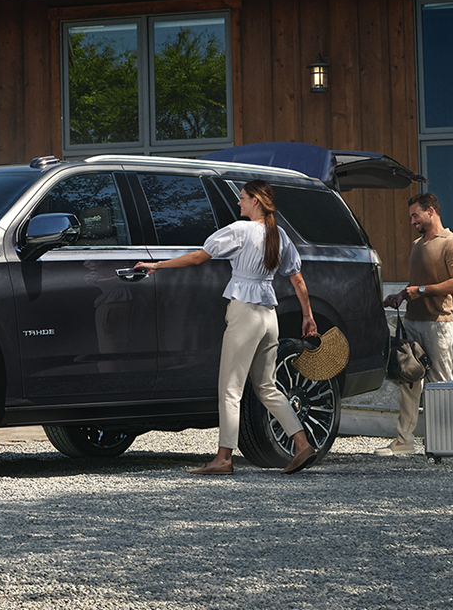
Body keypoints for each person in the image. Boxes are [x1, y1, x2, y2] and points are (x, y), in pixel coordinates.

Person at [134, 180, 320, 475]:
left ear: (256, 200)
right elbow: (297, 279)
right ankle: (301, 443)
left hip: (245, 311)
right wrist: (307, 315)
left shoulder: (240, 230)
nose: (239, 203)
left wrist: (157, 265)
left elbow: (198, 257)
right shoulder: (279, 235)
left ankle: (223, 458)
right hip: (269, 315)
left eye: (243, 198)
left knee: (230, 388)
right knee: (266, 386)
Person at [378, 193, 453, 456]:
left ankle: (451, 442)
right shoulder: (418, 244)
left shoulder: (452, 244)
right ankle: (404, 441)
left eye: (415, 215)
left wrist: (422, 289)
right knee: (408, 381)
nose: (412, 221)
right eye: (411, 216)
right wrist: (401, 295)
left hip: (438, 324)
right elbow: (417, 283)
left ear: (431, 211)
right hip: (412, 322)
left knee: (440, 384)